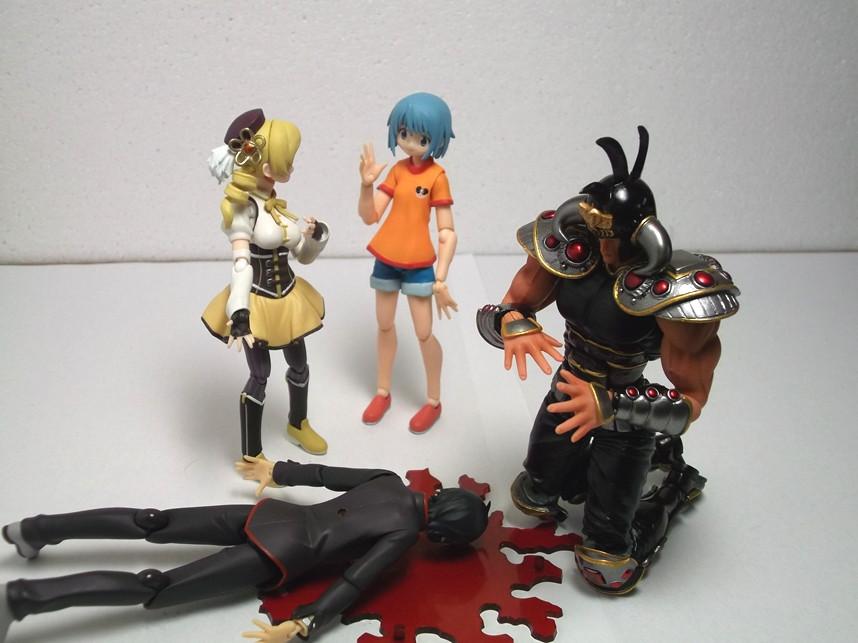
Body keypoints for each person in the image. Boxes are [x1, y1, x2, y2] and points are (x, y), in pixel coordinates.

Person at [476, 126, 740, 594]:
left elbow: (689, 403)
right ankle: (582, 476)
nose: (603, 247)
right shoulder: (571, 250)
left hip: (623, 406)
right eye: (597, 232)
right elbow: (505, 309)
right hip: (569, 385)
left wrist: (613, 406)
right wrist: (515, 326)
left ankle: (670, 492)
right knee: (535, 491)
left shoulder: (669, 286)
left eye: (612, 235)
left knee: (605, 559)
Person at [0, 457, 489, 642]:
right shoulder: (403, 536)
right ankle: (22, 599)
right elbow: (355, 579)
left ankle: (35, 528)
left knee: (152, 521)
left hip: (272, 516)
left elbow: (324, 475)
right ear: (443, 535)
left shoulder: (388, 477)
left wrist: (277, 470)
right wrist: (307, 622)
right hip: (280, 554)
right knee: (156, 587)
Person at [202, 108, 329, 457]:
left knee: (299, 364)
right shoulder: (244, 209)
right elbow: (242, 264)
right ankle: (252, 454)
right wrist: (239, 312)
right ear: (268, 165)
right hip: (256, 301)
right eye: (288, 160)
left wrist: (316, 236)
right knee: (260, 374)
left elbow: (301, 255)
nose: (292, 167)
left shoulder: (278, 208)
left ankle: (297, 423)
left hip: (289, 298)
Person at [358, 93, 459, 434]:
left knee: (424, 332)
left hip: (418, 264)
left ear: (436, 139)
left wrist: (440, 278)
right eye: (404, 133)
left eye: (421, 137)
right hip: (386, 258)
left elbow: (447, 231)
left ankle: (433, 400)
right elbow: (371, 215)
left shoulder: (437, 176)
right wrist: (366, 186)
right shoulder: (398, 171)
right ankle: (382, 391)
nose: (410, 142)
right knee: (384, 325)